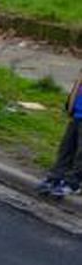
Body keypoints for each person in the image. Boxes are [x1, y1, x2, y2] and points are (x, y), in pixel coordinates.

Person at [37, 68, 82, 197]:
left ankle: (74, 182)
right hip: (76, 115)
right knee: (66, 148)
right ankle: (56, 176)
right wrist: (70, 106)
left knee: (80, 154)